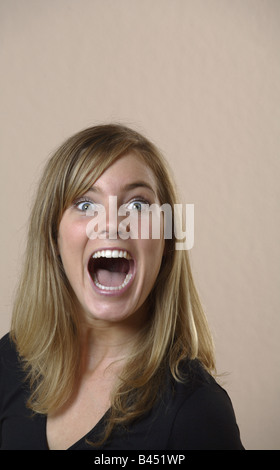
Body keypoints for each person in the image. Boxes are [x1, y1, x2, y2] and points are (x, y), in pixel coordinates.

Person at [0, 124, 244, 450]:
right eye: (85, 204)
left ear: (167, 240)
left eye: (138, 205)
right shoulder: (9, 361)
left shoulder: (197, 412)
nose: (113, 223)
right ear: (53, 238)